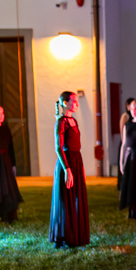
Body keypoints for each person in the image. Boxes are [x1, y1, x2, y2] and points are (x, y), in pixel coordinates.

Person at [49, 91, 90, 248]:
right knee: (66, 201)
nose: (77, 104)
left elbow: (76, 147)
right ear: (65, 103)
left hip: (76, 161)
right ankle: (65, 237)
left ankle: (77, 236)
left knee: (77, 199)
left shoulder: (74, 121)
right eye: (74, 101)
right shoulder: (61, 122)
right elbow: (59, 147)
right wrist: (67, 169)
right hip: (66, 163)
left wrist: (81, 168)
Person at [117, 97, 135, 190]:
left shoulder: (134, 117)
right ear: (127, 106)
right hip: (125, 142)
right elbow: (121, 130)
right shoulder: (125, 116)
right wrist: (124, 142)